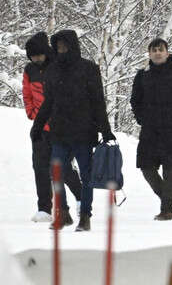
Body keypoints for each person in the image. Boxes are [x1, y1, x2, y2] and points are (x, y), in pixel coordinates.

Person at [30, 29, 116, 232]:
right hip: (59, 131)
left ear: (73, 45)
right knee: (56, 172)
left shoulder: (89, 69)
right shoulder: (52, 71)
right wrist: (38, 125)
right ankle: (63, 213)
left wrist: (106, 130)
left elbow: (98, 102)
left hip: (83, 131)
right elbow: (48, 102)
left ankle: (85, 216)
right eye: (57, 46)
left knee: (86, 175)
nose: (61, 49)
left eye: (64, 45)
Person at [130, 38, 172, 220]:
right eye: (154, 50)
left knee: (170, 170)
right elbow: (134, 100)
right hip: (150, 131)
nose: (157, 53)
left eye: (161, 50)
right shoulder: (142, 75)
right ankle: (166, 198)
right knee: (146, 168)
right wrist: (141, 118)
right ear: (149, 54)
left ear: (167, 53)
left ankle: (167, 210)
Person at [22, 31, 83, 225]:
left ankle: (81, 197)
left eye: (39, 55)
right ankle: (43, 209)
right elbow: (26, 92)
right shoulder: (29, 70)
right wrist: (31, 112)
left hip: (60, 127)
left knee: (60, 167)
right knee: (40, 168)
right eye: (32, 56)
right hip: (40, 128)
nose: (36, 59)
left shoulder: (57, 66)